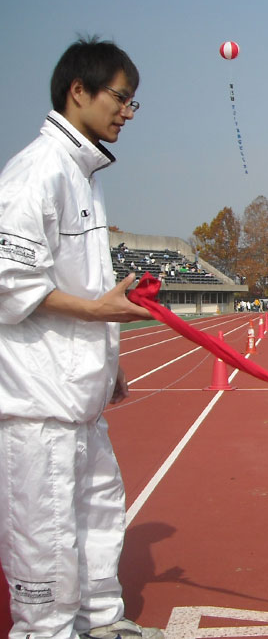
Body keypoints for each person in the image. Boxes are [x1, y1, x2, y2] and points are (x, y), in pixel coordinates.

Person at [0, 37, 163, 639]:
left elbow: (82, 285)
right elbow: (8, 282)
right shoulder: (36, 172)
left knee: (98, 520)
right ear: (79, 91)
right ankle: (45, 632)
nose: (126, 111)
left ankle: (101, 621)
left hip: (79, 401)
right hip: (37, 406)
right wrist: (99, 314)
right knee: (44, 537)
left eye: (132, 102)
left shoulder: (83, 174)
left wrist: (106, 357)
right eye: (121, 97)